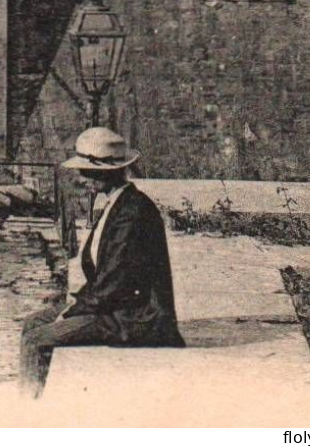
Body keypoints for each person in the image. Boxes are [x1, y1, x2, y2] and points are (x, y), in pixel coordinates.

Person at [19, 127, 185, 398]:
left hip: (137, 316)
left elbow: (115, 282)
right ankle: (31, 398)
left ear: (107, 172)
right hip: (113, 306)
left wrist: (73, 310)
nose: (82, 180)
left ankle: (29, 409)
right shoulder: (117, 203)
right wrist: (76, 304)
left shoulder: (132, 213)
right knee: (33, 322)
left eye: (87, 173)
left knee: (37, 340)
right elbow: (103, 275)